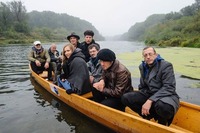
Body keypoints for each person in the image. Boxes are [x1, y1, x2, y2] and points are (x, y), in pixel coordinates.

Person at [121, 46, 180, 126]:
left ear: (155, 55)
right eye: (145, 55)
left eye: (150, 54)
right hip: (149, 93)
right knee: (126, 98)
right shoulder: (142, 67)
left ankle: (163, 122)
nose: (148, 57)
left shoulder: (166, 65)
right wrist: (141, 99)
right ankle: (148, 116)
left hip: (165, 96)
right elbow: (142, 86)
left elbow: (169, 87)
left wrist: (150, 100)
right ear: (143, 57)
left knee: (163, 107)